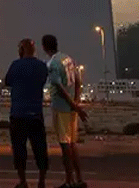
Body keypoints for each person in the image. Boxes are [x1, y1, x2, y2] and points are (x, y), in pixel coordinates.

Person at [41, 34, 88, 188]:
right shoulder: (68, 59)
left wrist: (73, 105)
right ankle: (79, 178)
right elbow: (78, 81)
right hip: (71, 107)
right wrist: (76, 101)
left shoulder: (53, 64)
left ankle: (69, 181)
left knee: (65, 145)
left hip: (61, 108)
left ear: (44, 47)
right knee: (72, 143)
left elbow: (59, 88)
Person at [5, 39, 50, 188]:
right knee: (40, 149)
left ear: (21, 50)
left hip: (18, 113)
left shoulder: (15, 65)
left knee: (19, 149)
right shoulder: (41, 66)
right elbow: (43, 80)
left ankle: (23, 181)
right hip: (36, 113)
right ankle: (41, 181)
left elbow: (8, 81)